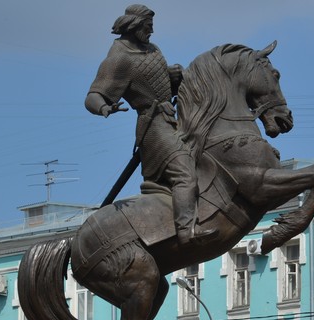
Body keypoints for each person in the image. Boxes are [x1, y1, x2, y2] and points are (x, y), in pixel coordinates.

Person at [85, 4, 216, 246]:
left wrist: (171, 76)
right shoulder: (119, 59)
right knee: (185, 173)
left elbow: (154, 80)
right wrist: (104, 107)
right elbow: (93, 96)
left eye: (152, 27)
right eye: (148, 27)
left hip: (172, 118)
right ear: (134, 26)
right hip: (153, 126)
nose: (151, 32)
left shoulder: (151, 49)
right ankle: (188, 231)